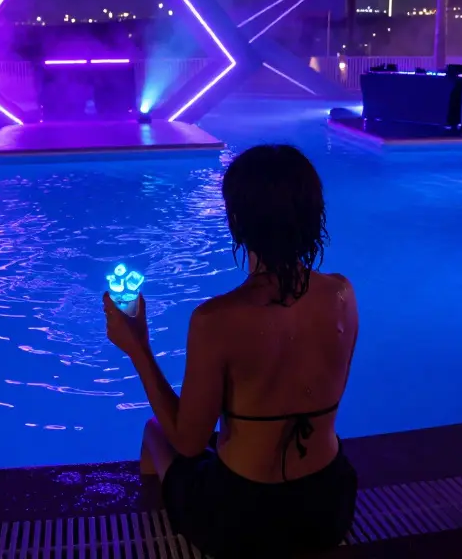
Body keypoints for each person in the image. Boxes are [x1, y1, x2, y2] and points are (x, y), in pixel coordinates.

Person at [103, 144, 359, 557]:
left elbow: (188, 442)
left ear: (237, 222)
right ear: (314, 215)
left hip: (243, 518)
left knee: (155, 431)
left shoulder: (216, 319)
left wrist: (138, 348)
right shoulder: (342, 294)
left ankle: (152, 530)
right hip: (329, 505)